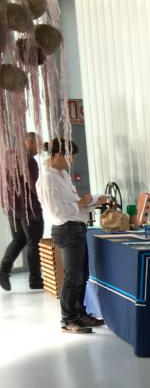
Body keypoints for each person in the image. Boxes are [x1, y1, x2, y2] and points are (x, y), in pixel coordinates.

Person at [38, 138, 106, 334]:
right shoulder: (47, 179)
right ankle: (67, 320)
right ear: (60, 155)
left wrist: (92, 201)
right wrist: (81, 203)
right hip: (66, 229)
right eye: (71, 156)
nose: (72, 161)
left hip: (77, 227)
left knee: (82, 276)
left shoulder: (62, 175)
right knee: (73, 277)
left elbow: (75, 203)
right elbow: (57, 212)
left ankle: (79, 314)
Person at [0, 132, 45, 292]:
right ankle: (35, 280)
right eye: (38, 144)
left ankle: (4, 269)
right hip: (29, 209)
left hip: (12, 208)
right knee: (34, 243)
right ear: (29, 142)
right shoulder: (29, 161)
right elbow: (34, 187)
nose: (40, 148)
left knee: (18, 239)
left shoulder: (7, 156)